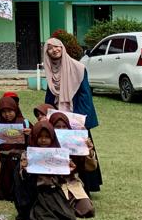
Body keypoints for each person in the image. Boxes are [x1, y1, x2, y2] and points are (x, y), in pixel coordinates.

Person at [43, 37, 102, 192]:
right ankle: (60, 181)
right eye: (50, 48)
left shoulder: (78, 67)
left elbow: (85, 95)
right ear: (46, 52)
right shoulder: (50, 69)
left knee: (81, 150)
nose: (54, 50)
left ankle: (87, 185)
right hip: (58, 118)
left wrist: (79, 120)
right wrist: (46, 114)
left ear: (62, 48)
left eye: (57, 47)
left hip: (76, 117)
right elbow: (50, 95)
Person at [14, 119, 77, 220]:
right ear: (35, 137)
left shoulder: (58, 154)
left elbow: (62, 177)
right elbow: (21, 179)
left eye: (47, 137)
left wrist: (69, 169)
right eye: (40, 137)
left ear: (52, 138)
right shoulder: (28, 154)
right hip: (35, 193)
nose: (43, 140)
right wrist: (24, 168)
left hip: (53, 191)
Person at [48, 112, 97, 218]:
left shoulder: (75, 144)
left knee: (87, 210)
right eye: (57, 127)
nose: (61, 129)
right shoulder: (46, 142)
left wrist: (89, 151)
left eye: (64, 126)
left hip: (72, 183)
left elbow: (91, 167)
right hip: (52, 184)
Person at [0, 95, 27, 201]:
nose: (7, 114)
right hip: (2, 160)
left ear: (15, 109)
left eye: (10, 111)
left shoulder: (23, 122)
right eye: (3, 112)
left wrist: (30, 134)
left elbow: (32, 143)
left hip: (17, 159)